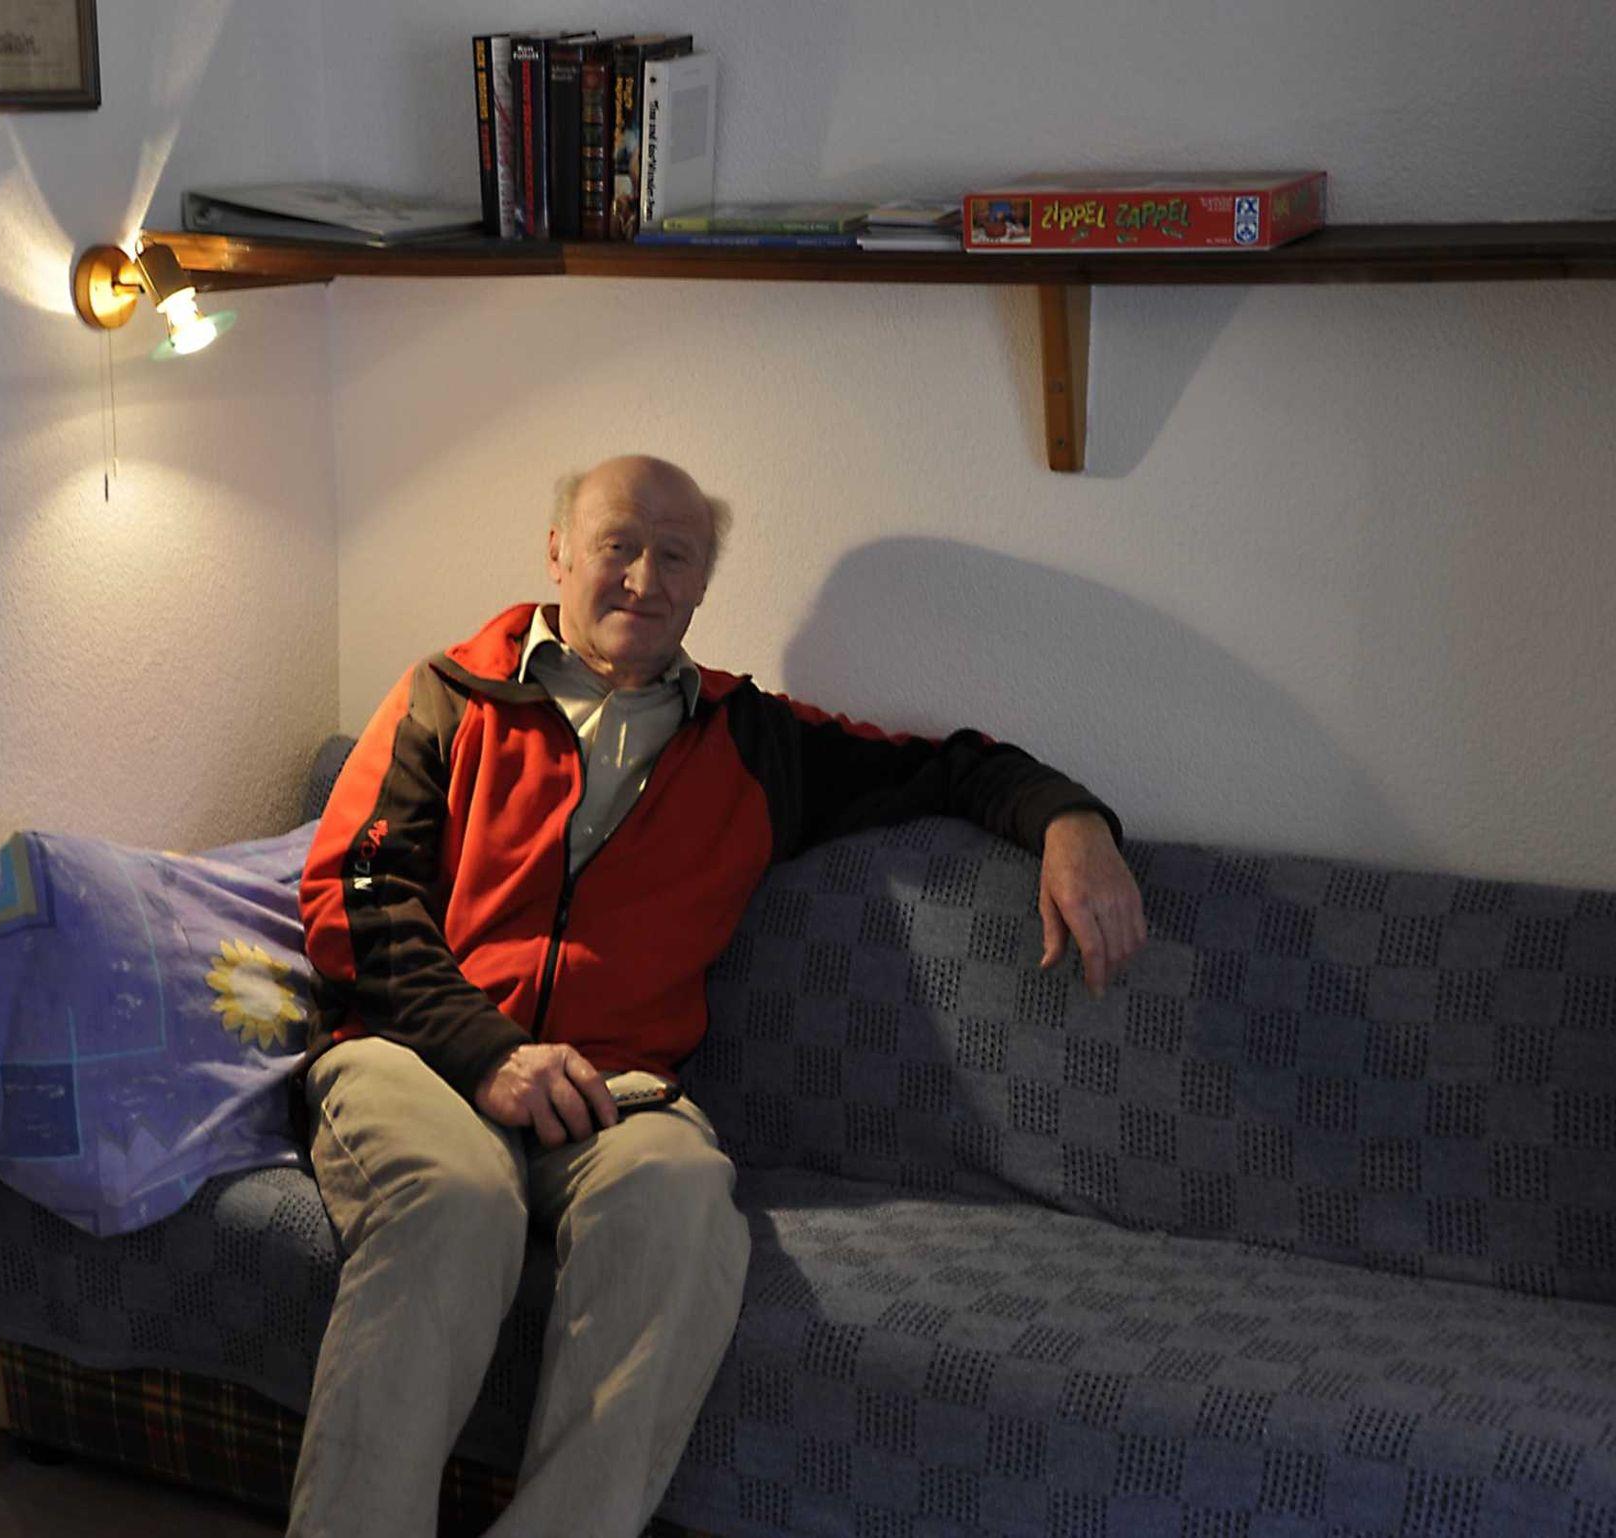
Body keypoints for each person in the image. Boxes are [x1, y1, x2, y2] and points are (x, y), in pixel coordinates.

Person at [291, 455, 1146, 1537]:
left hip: (614, 1093)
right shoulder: (451, 693)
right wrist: (488, 1052)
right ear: (558, 552)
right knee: (455, 1201)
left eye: (676, 555)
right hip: (416, 1058)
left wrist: (1072, 822)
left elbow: (953, 767)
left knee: (682, 1204)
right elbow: (354, 896)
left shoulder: (756, 742)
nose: (643, 578)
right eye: (617, 545)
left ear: (701, 584)